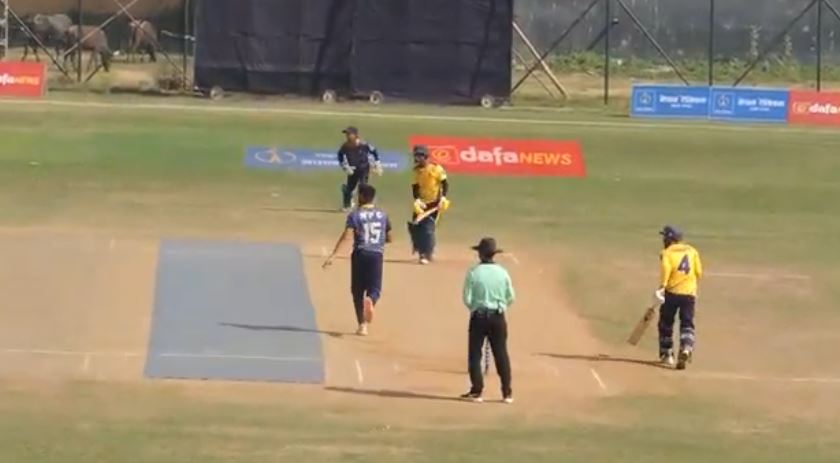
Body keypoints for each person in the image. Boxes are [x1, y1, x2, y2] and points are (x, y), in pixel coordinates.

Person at [323, 184, 392, 336]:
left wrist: (334, 255)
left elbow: (347, 236)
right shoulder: (383, 215)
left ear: (361, 196)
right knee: (375, 289)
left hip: (360, 254)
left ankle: (362, 325)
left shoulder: (355, 215)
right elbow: (389, 237)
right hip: (376, 254)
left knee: (357, 291)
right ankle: (371, 300)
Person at [461, 238, 515, 404]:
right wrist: (500, 306)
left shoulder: (473, 272)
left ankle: (477, 391)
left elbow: (467, 298)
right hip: (498, 316)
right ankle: (506, 393)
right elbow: (511, 297)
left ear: (480, 254)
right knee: (501, 353)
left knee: (475, 354)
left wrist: (476, 308)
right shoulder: (503, 272)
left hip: (479, 316)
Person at [654, 225, 703, 370]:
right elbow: (699, 272)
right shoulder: (692, 251)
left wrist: (662, 287)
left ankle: (667, 354)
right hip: (689, 294)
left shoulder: (667, 253)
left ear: (669, 239)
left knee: (665, 323)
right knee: (687, 323)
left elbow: (666, 270)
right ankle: (686, 347)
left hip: (672, 293)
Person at [408, 145, 450, 265]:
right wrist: (417, 199)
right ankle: (421, 251)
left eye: (418, 156)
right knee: (415, 227)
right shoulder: (416, 171)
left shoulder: (436, 169)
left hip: (434, 204)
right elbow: (415, 187)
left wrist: (443, 197)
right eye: (415, 156)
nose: (416, 159)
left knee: (427, 229)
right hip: (422, 204)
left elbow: (445, 183)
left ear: (425, 157)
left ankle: (427, 253)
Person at [337, 126, 382, 211]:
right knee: (349, 189)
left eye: (349, 134)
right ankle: (347, 205)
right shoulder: (345, 146)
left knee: (363, 186)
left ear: (355, 135)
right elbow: (340, 156)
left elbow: (374, 152)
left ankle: (363, 205)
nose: (347, 136)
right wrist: (345, 166)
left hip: (363, 168)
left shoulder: (364, 144)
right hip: (352, 170)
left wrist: (377, 163)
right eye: (347, 134)